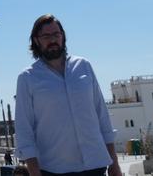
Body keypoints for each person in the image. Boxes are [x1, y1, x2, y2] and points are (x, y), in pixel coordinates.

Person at [14, 15, 121, 176]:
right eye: (46, 36)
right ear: (36, 41)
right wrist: (34, 172)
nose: (53, 40)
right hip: (54, 169)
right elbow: (24, 131)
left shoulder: (84, 66)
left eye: (56, 35)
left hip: (96, 166)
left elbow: (102, 117)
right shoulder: (28, 78)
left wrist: (114, 164)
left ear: (63, 37)